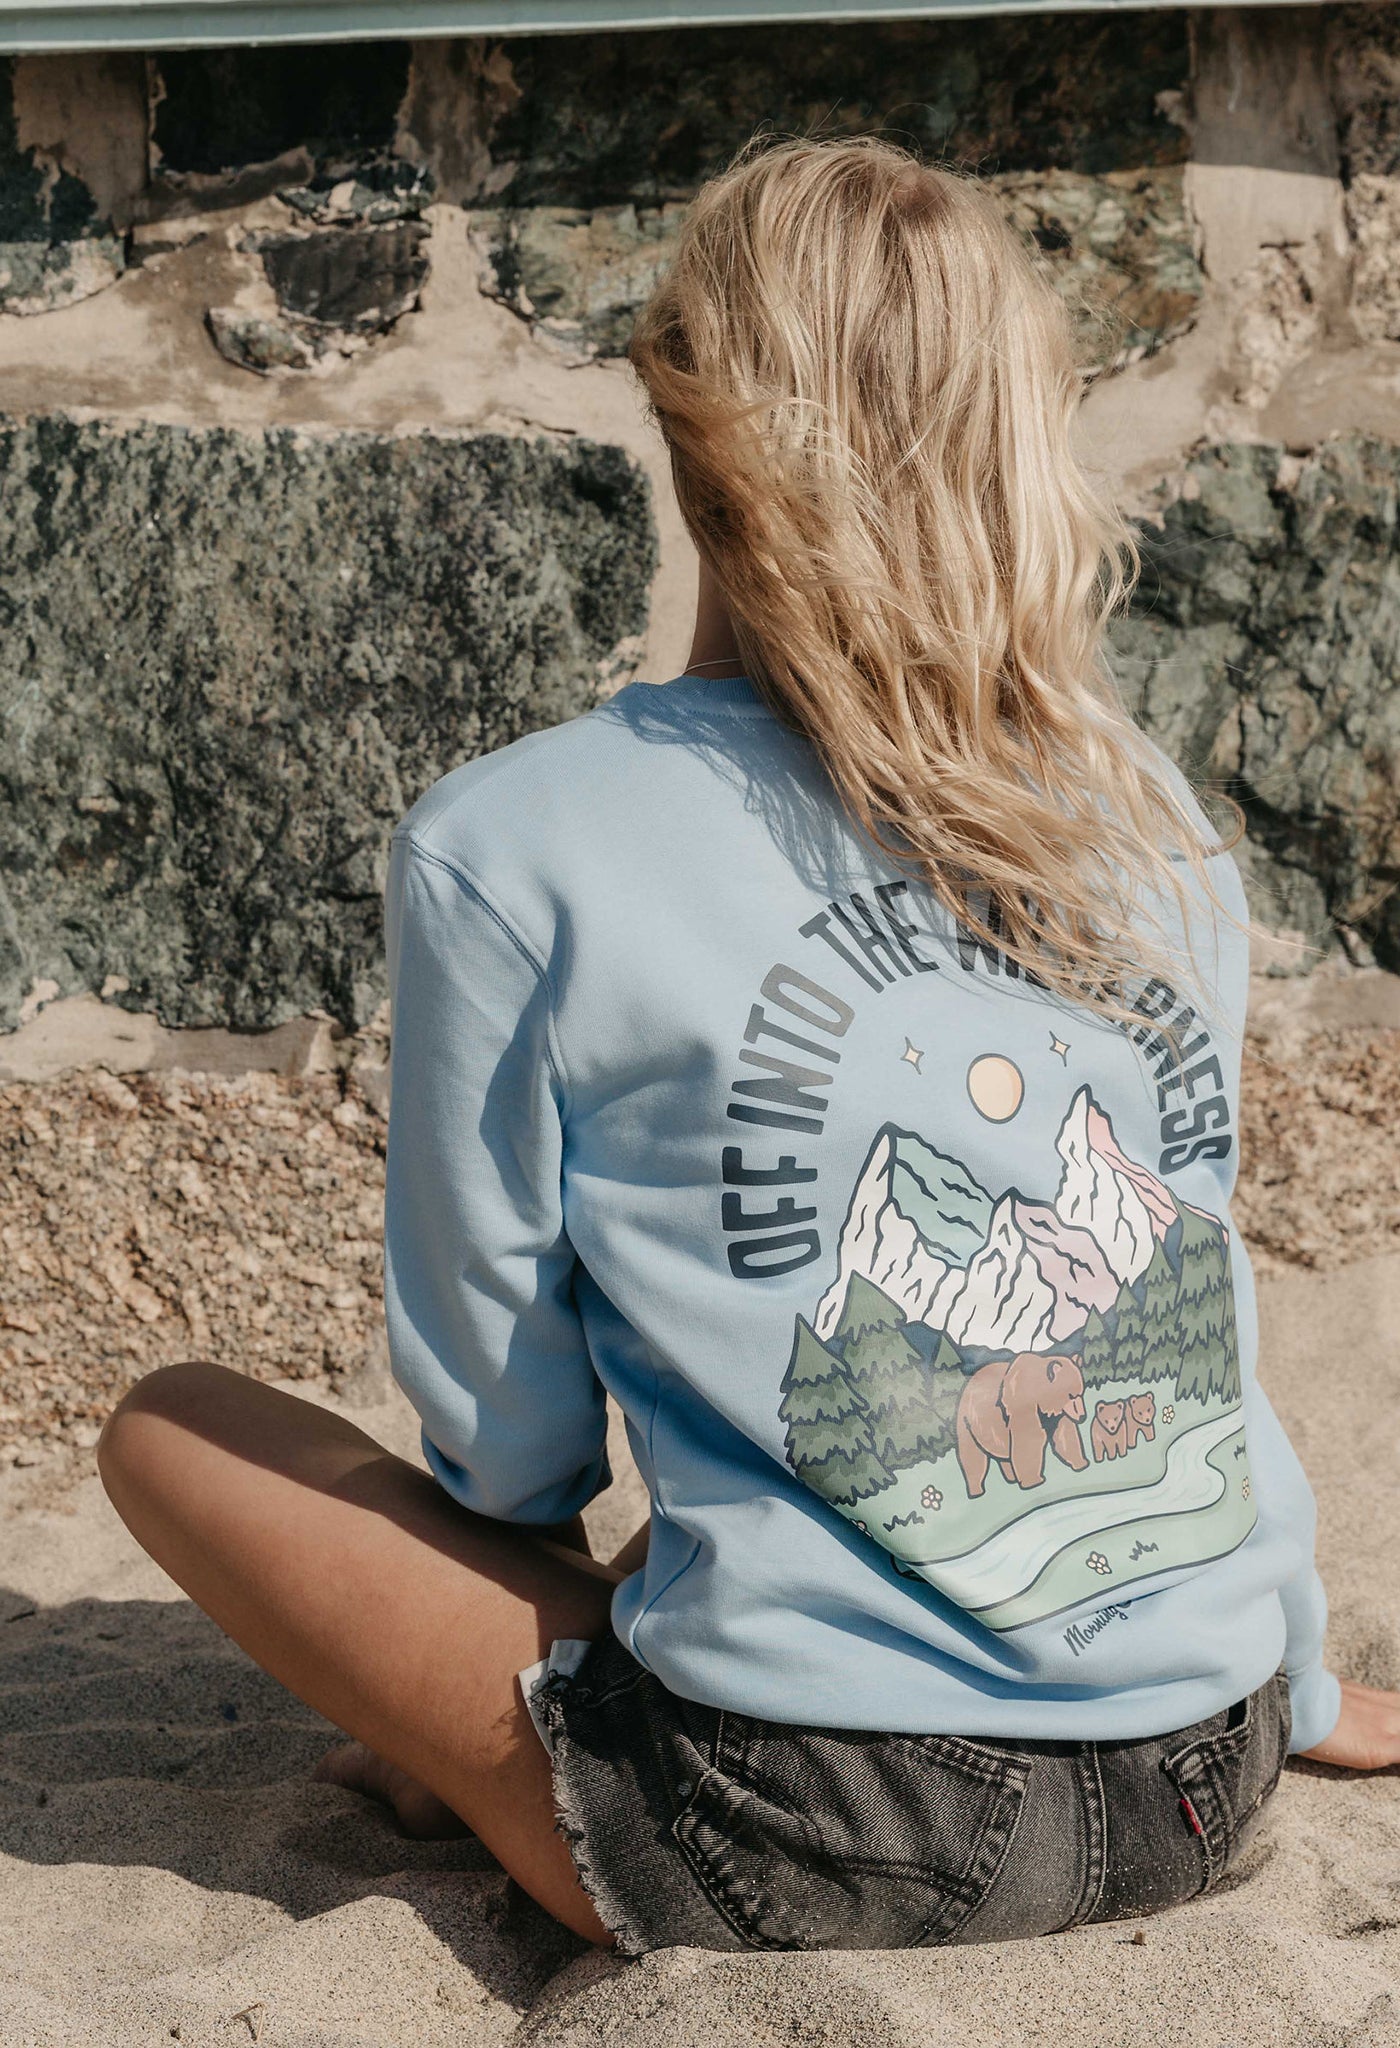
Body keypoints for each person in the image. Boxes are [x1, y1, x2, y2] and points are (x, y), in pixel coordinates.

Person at [97, 135, 1400, 1957]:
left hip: (807, 1828)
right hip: (1206, 1766)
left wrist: (493, 1607)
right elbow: (1195, 1311)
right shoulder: (1141, 812)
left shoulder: (514, 843)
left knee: (169, 1428)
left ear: (686, 414)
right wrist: (1303, 1680)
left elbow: (506, 1443)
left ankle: (477, 1745)